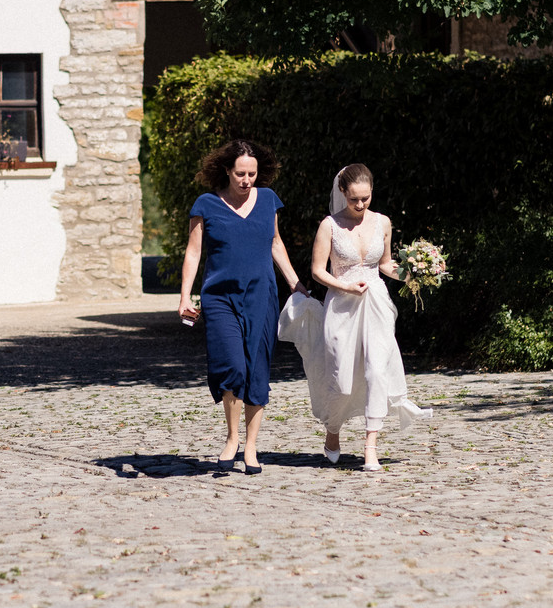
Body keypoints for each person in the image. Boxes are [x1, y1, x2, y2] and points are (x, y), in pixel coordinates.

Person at [278, 163, 431, 472]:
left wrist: (415, 273)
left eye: (366, 198)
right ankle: (332, 432)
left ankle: (370, 447)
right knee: (342, 380)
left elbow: (386, 265)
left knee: (377, 371)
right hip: (341, 307)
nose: (360, 205)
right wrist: (344, 284)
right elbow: (318, 271)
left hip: (376, 304)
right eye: (354, 200)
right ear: (343, 193)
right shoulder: (329, 226)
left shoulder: (383, 222)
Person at [178, 140, 307, 475]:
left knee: (257, 371)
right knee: (231, 366)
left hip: (261, 296)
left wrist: (294, 282)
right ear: (226, 171)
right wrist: (184, 297)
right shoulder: (206, 204)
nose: (247, 179)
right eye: (240, 173)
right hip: (219, 297)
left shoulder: (268, 200)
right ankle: (232, 437)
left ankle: (250, 446)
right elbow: (194, 252)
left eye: (252, 173)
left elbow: (275, 243)